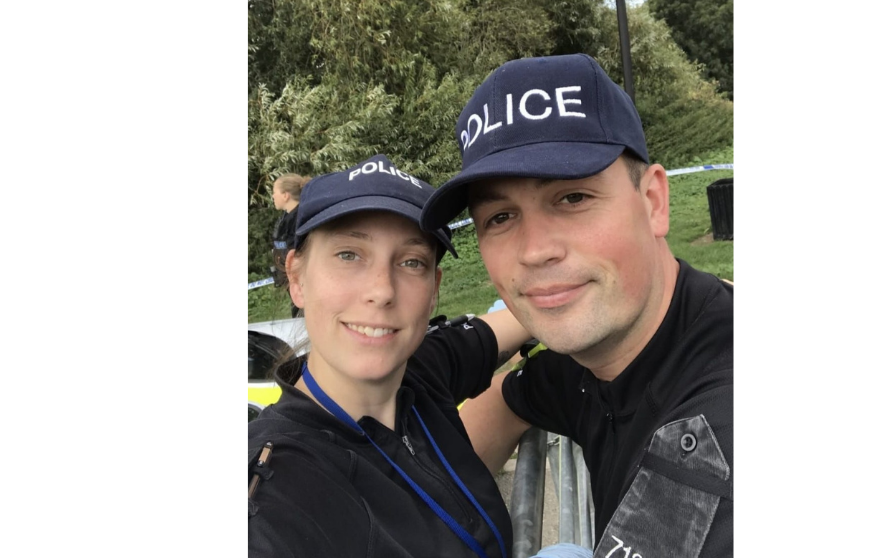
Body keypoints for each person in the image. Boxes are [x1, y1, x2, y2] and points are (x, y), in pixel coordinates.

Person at [420, 54, 734, 558]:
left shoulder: (715, 431)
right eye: (500, 217)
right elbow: (507, 400)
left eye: (572, 198)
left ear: (653, 201)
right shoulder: (613, 352)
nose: (535, 249)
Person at [247, 154, 535, 558]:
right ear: (296, 277)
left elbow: (522, 319)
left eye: (411, 262)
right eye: (349, 254)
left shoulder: (418, 373)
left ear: (434, 287)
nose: (382, 290)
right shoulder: (274, 489)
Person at [270, 173, 311, 317]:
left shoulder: (301, 217)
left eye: (274, 192)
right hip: (290, 280)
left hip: (303, 282)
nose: (272, 197)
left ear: (285, 195)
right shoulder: (286, 218)